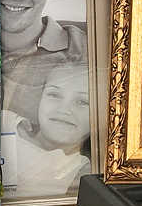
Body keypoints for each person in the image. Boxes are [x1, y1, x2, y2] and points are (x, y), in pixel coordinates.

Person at [10, 62, 91, 197]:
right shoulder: (6, 124)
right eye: (54, 95)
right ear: (39, 99)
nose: (64, 110)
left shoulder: (82, 173)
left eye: (82, 102)